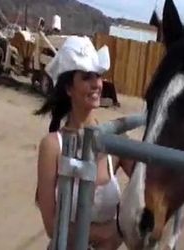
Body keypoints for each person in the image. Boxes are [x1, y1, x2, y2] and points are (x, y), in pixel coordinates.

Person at [34, 36, 134, 250]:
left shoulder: (114, 141)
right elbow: (52, 227)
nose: (97, 84)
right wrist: (107, 233)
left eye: (98, 76)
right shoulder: (52, 146)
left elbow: (151, 185)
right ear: (69, 88)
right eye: (87, 77)